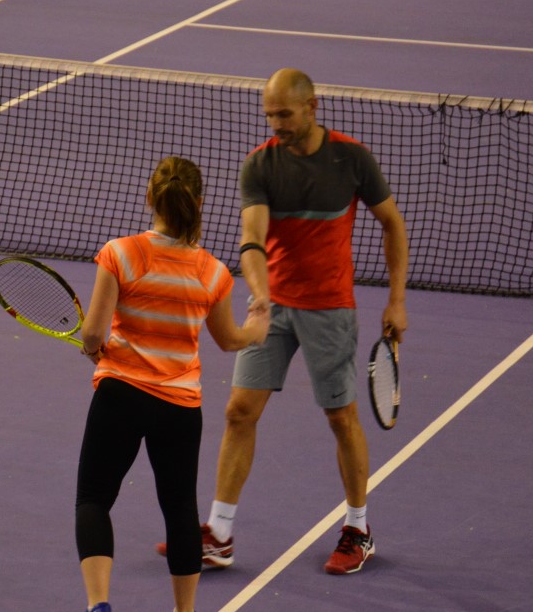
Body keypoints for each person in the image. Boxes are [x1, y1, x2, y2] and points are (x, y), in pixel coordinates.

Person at [160, 68, 408, 576]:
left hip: (330, 308)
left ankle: (358, 529)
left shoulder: (352, 159)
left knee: (340, 417)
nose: (276, 124)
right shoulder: (260, 164)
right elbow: (252, 239)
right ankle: (219, 534)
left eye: (285, 114)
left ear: (313, 106)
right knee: (239, 412)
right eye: (270, 115)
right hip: (272, 307)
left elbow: (392, 224)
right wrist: (260, 294)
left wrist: (396, 300)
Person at [70, 156, 269, 612]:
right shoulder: (213, 273)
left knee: (94, 499)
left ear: (149, 197)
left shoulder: (120, 254)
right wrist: (257, 328)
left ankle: (98, 609)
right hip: (179, 406)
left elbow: (93, 332)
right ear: (198, 204)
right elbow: (229, 340)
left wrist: (93, 347)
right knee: (179, 508)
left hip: (119, 395)